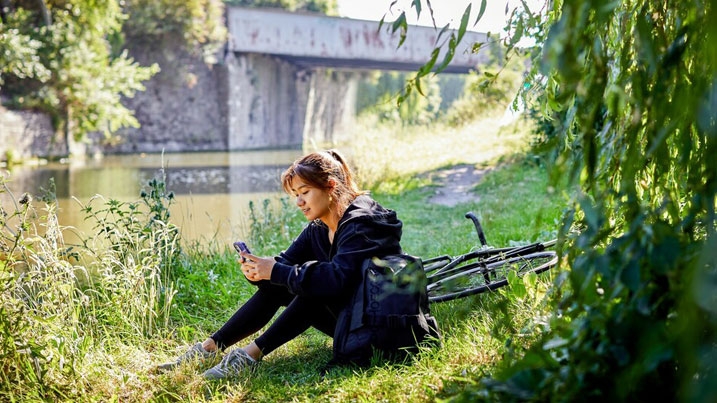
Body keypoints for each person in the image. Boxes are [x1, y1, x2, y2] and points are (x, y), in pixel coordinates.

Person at [157, 150, 403, 379]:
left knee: (314, 283)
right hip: (350, 317)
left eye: (304, 192)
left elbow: (337, 280)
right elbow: (283, 266)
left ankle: (249, 356)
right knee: (290, 279)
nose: (299, 202)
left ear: (330, 186)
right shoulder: (319, 228)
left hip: (376, 326)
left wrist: (276, 271)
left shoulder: (363, 223)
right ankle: (210, 347)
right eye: (296, 195)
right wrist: (258, 270)